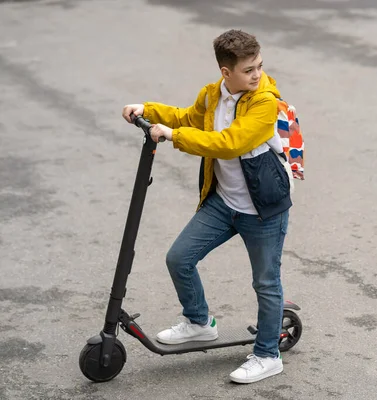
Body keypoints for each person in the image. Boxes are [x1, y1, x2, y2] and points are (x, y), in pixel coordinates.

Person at [121, 29, 292, 384]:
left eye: (259, 66)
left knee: (266, 283)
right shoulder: (214, 94)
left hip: (262, 210)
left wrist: (173, 136)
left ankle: (267, 354)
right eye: (249, 70)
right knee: (179, 258)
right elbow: (187, 117)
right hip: (223, 202)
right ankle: (199, 322)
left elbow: (229, 144)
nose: (257, 75)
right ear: (225, 72)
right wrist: (148, 110)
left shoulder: (263, 102)